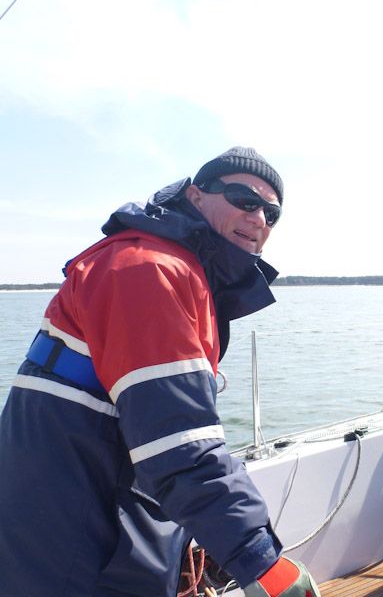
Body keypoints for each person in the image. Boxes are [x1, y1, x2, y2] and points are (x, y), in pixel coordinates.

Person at [0, 147, 319, 597]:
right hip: (79, 555)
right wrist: (259, 560)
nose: (259, 218)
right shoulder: (147, 271)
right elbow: (179, 447)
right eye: (244, 199)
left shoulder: (173, 268)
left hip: (90, 528)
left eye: (272, 212)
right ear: (195, 195)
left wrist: (195, 534)